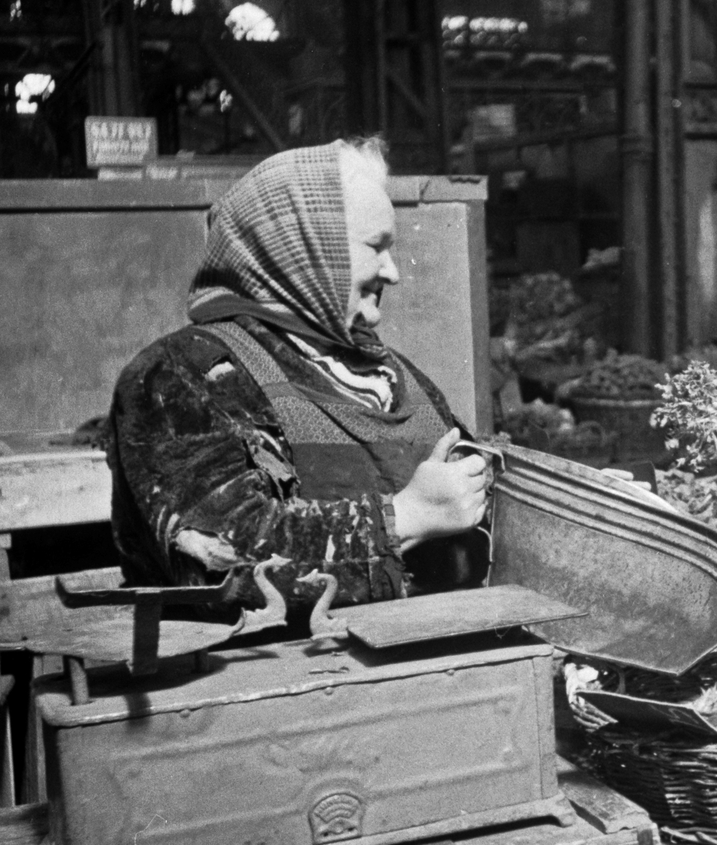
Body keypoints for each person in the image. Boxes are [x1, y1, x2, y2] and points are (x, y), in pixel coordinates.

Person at [107, 138, 493, 615]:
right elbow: (220, 559)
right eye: (377, 247)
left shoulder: (386, 372)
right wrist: (404, 518)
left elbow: (473, 484)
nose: (392, 272)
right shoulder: (183, 374)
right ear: (306, 252)